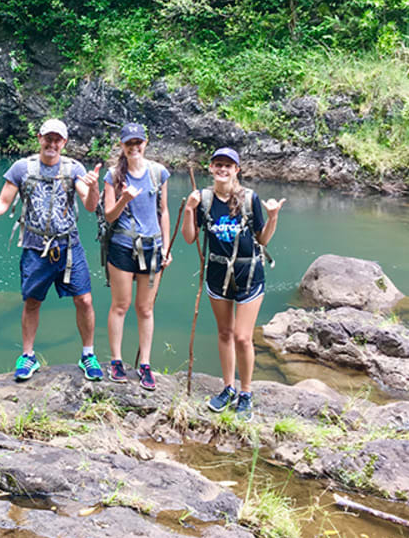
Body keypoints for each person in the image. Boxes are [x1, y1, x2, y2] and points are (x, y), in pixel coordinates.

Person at [0, 118, 103, 381]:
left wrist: (94, 186)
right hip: (34, 246)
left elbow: (89, 204)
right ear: (39, 137)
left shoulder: (74, 169)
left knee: (84, 300)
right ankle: (27, 356)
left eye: (57, 139)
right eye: (48, 138)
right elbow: (3, 203)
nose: (52, 143)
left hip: (68, 246)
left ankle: (88, 354)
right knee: (31, 302)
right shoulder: (22, 168)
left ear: (64, 142)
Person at [181, 147, 285, 420]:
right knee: (224, 333)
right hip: (217, 275)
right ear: (211, 168)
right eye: (218, 165)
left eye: (228, 166)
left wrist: (273, 216)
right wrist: (189, 211)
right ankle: (228, 388)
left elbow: (262, 240)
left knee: (242, 336)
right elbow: (189, 238)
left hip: (248, 273)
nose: (223, 170)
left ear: (237, 169)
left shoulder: (249, 199)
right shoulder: (203, 199)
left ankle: (246, 392)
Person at [102, 123, 171, 390]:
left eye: (138, 142)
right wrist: (123, 200)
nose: (134, 147)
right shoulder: (113, 176)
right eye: (129, 143)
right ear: (122, 145)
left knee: (145, 308)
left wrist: (166, 247)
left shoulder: (158, 173)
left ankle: (145, 364)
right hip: (122, 246)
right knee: (120, 305)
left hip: (153, 247)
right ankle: (117, 361)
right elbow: (109, 215)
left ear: (145, 143)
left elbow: (163, 212)